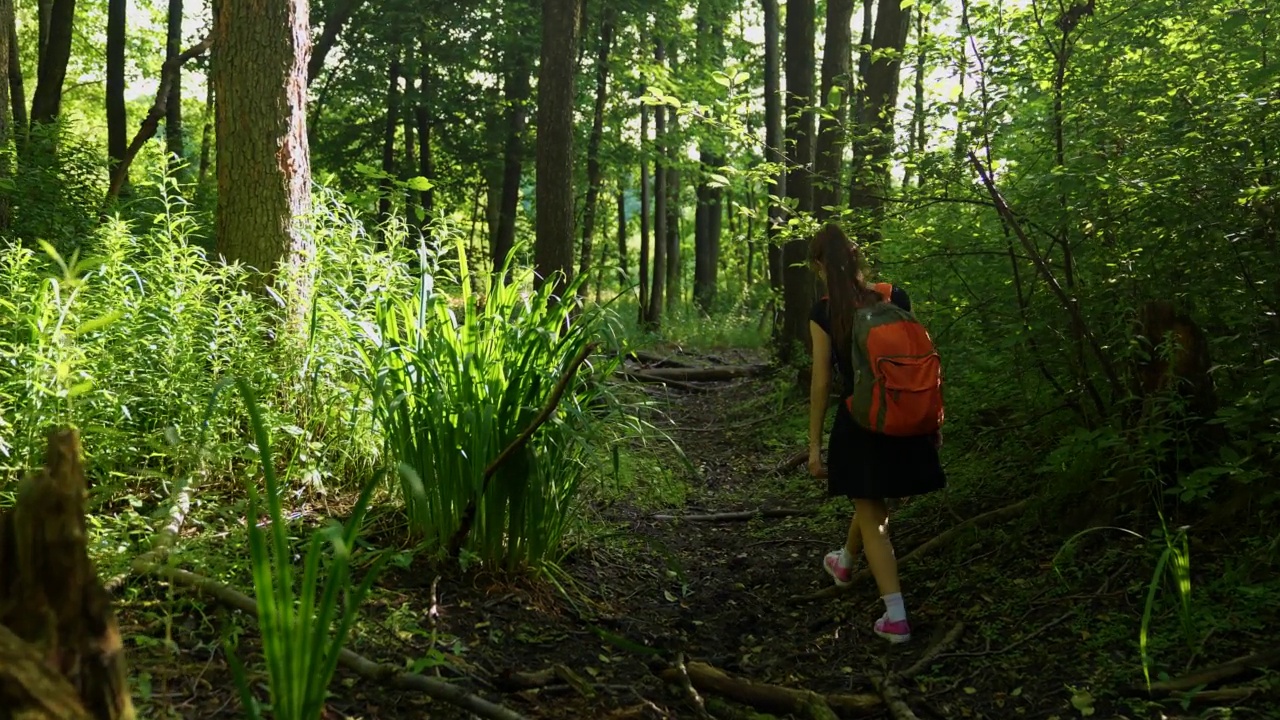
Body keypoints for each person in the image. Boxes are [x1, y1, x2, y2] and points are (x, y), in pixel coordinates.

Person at [806, 224, 946, 644]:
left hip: (861, 423)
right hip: (905, 418)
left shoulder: (824, 312)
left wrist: (814, 445)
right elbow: (918, 361)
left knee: (874, 517)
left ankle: (896, 618)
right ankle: (845, 561)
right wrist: (933, 421)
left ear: (819, 265)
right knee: (869, 502)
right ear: (857, 257)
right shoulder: (894, 296)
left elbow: (820, 382)